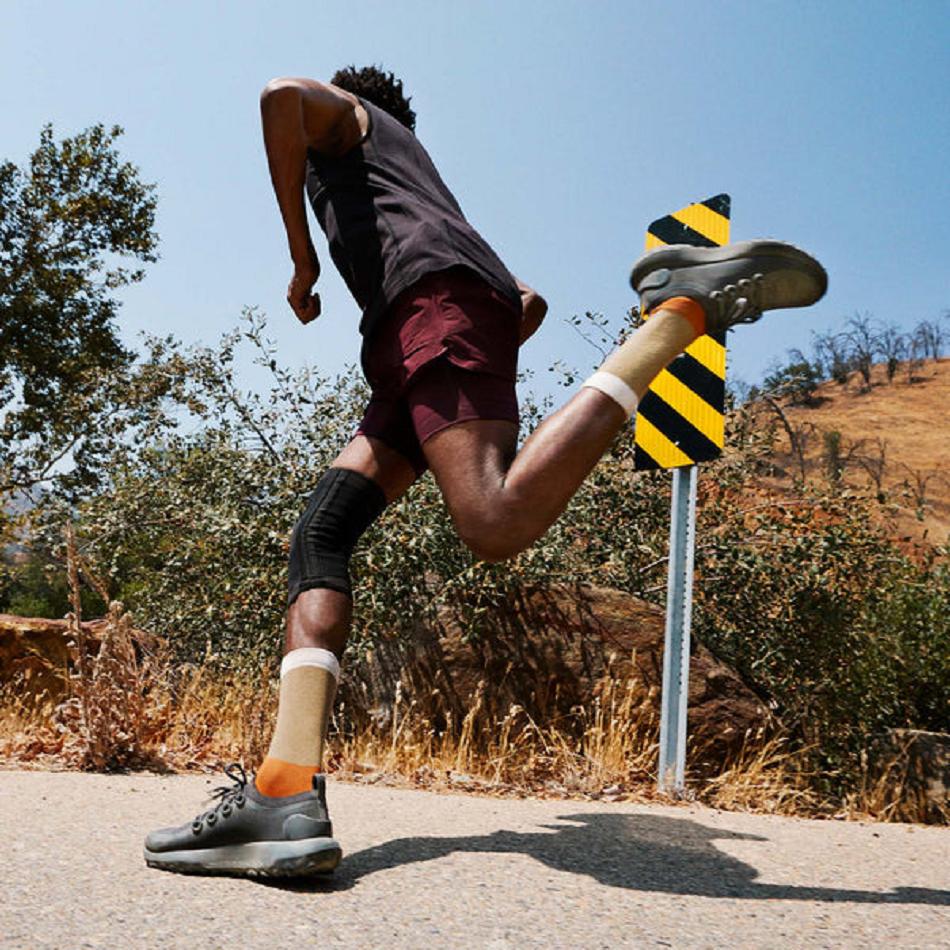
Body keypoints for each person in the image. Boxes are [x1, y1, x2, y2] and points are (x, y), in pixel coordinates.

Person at [144, 66, 827, 878]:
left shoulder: (347, 122)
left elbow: (278, 97)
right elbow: (524, 302)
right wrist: (459, 380)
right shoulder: (419, 182)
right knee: (321, 532)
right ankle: (285, 791)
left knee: (493, 521)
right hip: (423, 341)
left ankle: (677, 316)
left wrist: (303, 260)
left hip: (427, 315)